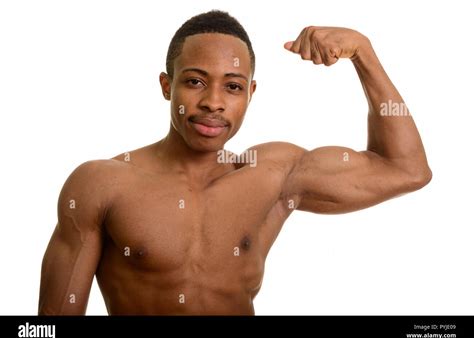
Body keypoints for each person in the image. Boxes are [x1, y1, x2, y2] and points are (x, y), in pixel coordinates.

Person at [38, 10, 432, 315]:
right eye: (194, 82)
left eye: (232, 86)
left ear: (250, 93)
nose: (213, 102)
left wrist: (364, 53)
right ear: (166, 86)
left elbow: (406, 168)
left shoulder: (273, 174)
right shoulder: (101, 183)